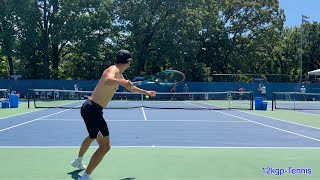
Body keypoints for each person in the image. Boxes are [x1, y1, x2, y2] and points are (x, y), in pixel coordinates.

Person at [70, 49, 156, 180]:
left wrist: (146, 92)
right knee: (105, 146)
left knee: (93, 135)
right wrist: (121, 82)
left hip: (90, 108)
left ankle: (78, 160)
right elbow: (108, 80)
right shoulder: (113, 70)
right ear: (128, 62)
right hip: (93, 109)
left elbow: (130, 87)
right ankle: (85, 177)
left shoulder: (119, 74)